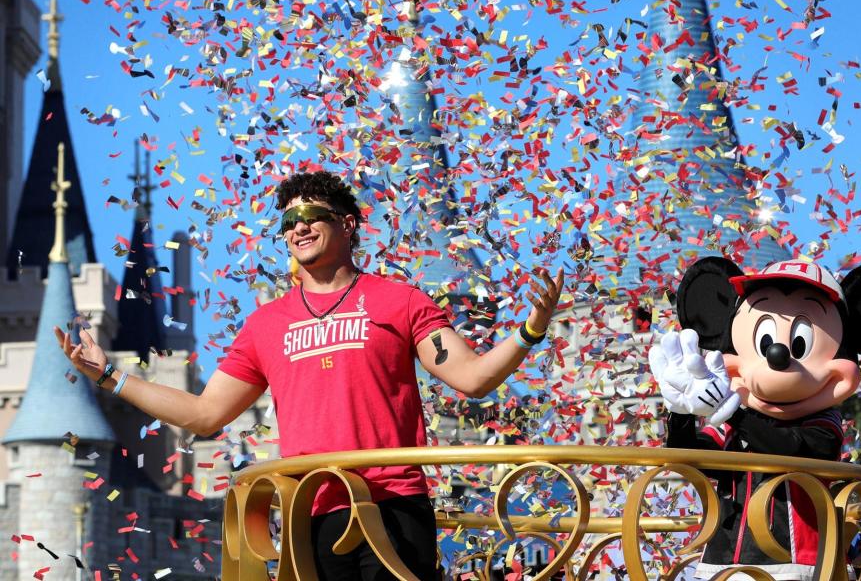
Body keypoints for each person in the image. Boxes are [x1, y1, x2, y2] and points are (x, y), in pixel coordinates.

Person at [55, 169, 564, 580]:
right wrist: (110, 379)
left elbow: (472, 378)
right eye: (288, 222)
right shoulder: (265, 325)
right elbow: (205, 415)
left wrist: (530, 330)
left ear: (347, 225)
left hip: (393, 506)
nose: (297, 228)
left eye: (311, 215)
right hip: (312, 512)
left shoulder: (400, 302)